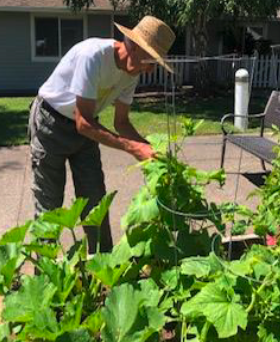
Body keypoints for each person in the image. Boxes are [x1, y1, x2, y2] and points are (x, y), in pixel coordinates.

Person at [29, 15, 175, 254]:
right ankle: (46, 281)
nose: (150, 69)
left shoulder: (132, 73)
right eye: (150, 61)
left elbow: (122, 122)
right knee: (49, 207)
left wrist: (149, 148)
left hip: (86, 126)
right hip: (50, 124)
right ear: (135, 46)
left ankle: (104, 271)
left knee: (95, 201)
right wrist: (133, 148)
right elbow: (83, 123)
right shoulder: (94, 56)